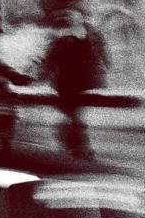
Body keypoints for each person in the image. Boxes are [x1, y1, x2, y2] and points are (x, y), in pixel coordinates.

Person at [43, 10, 108, 161]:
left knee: (72, 115)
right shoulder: (76, 41)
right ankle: (80, 147)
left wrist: (48, 77)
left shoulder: (61, 42)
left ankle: (78, 147)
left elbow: (50, 61)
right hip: (76, 83)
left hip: (66, 83)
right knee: (74, 115)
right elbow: (91, 54)